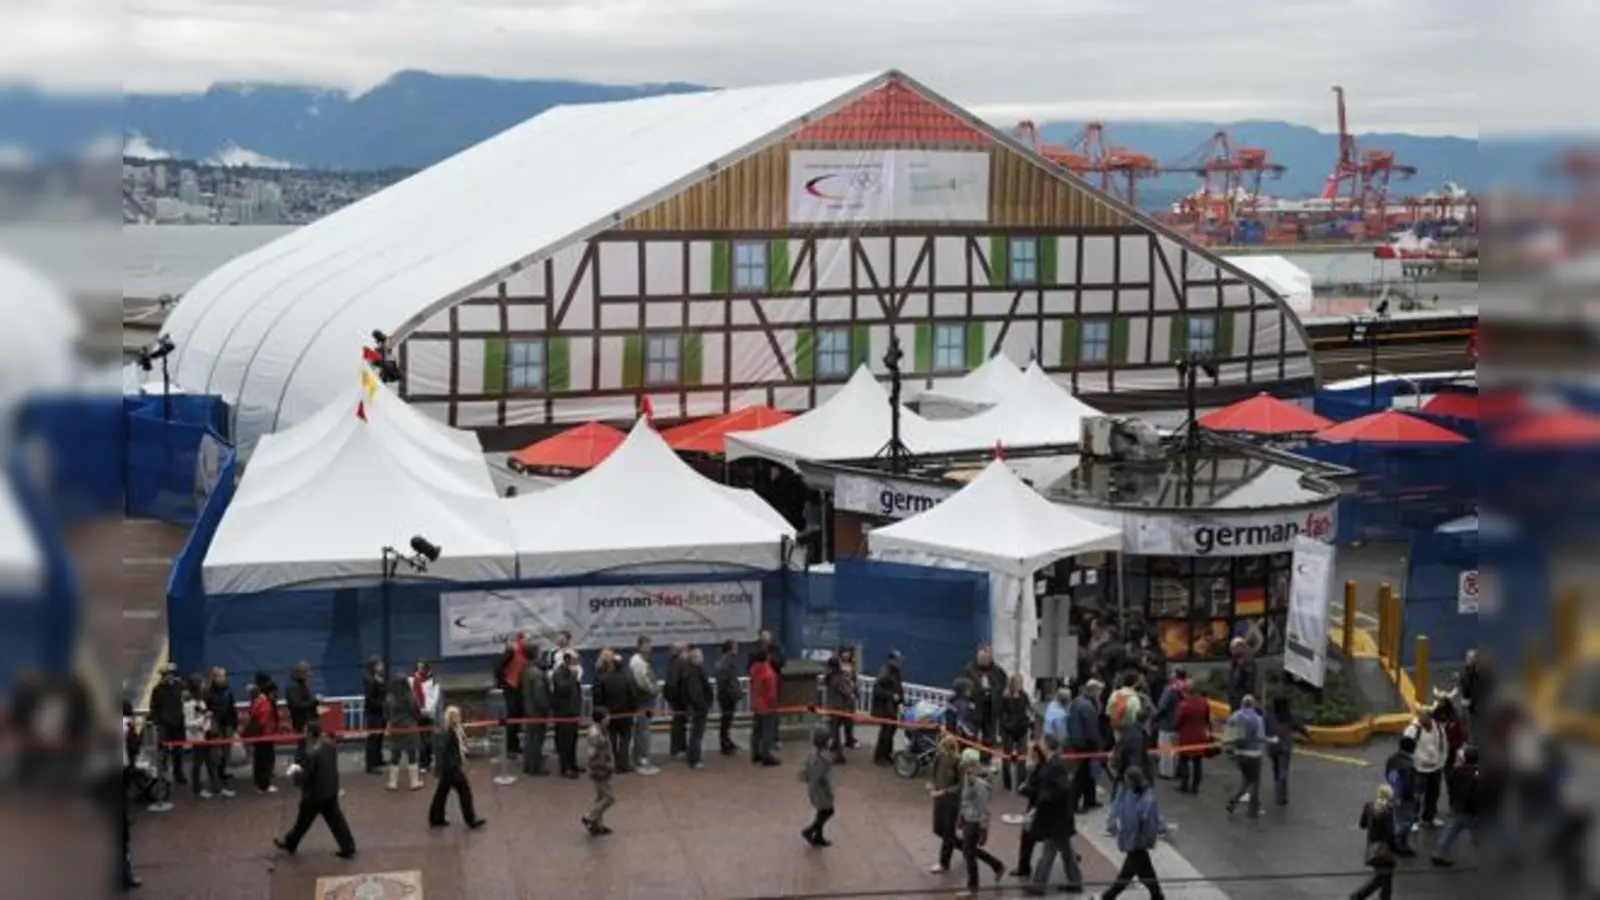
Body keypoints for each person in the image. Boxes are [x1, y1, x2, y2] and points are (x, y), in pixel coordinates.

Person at [274, 721, 356, 859]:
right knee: (336, 820)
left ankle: (290, 843)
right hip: (330, 789)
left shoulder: (310, 753)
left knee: (303, 821)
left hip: (314, 795)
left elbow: (306, 776)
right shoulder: (329, 747)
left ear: (309, 734)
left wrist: (294, 771)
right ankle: (348, 846)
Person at [1025, 734, 1084, 896]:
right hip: (1059, 817)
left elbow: (1060, 790)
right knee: (1065, 850)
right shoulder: (1050, 764)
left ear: (1047, 746)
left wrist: (1043, 800)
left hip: (1057, 817)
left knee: (1049, 850)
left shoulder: (1056, 766)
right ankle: (1075, 881)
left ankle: (1039, 884)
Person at [1100, 768, 1166, 900]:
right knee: (1145, 871)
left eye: (1127, 781)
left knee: (1125, 876)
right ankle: (1157, 895)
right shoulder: (1130, 792)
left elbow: (1150, 825)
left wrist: (1144, 841)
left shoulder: (1148, 801)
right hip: (1130, 840)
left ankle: (1108, 897)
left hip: (1137, 843)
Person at [956, 748, 1007, 895]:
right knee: (970, 850)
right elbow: (965, 800)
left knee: (969, 853)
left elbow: (983, 810)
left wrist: (984, 830)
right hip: (969, 819)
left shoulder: (979, 786)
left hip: (975, 822)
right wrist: (962, 816)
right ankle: (996, 865)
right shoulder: (969, 777)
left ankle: (973, 888)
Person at [428, 705, 486, 830]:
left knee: (441, 793)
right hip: (452, 768)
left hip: (448, 768)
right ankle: (471, 819)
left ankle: (436, 817)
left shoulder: (452, 730)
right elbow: (444, 751)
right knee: (464, 791)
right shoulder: (450, 732)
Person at [1431, 744, 1480, 866]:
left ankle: (1439, 853)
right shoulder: (1476, 775)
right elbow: (1475, 795)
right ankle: (1511, 853)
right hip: (1472, 811)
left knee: (1450, 831)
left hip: (1458, 808)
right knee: (1498, 829)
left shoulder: (1455, 772)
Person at [1403, 706, 1449, 827]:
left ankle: (1429, 818)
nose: (1425, 718)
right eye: (1422, 715)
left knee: (1433, 794)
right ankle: (1413, 820)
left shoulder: (1438, 727)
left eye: (1427, 715)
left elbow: (1444, 745)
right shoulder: (1412, 730)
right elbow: (1406, 749)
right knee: (1416, 796)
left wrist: (1442, 762)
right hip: (1419, 769)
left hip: (1436, 768)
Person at [1352, 784, 1399, 900]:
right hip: (1384, 849)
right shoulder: (1387, 812)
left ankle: (1382, 897)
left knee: (1384, 876)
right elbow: (1389, 834)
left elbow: (1362, 824)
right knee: (1383, 876)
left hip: (1372, 847)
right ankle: (1358, 895)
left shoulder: (1369, 806)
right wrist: (1395, 849)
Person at [594, 649, 636, 775]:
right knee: (625, 739)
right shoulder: (627, 679)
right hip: (626, 714)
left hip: (609, 715)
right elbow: (633, 696)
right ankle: (624, 763)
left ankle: (614, 763)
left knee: (611, 740)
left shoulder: (603, 679)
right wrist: (632, 710)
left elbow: (599, 698)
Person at [1223, 695, 1266, 819]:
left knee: (1246, 780)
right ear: (1253, 705)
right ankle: (1252, 809)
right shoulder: (1258, 719)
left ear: (1242, 704)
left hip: (1239, 754)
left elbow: (1227, 735)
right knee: (1254, 782)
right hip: (1254, 755)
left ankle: (1234, 801)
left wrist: (1230, 750)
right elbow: (1260, 738)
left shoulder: (1235, 717)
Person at [927, 733, 963, 874]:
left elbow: (960, 785)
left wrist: (945, 791)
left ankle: (944, 862)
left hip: (951, 802)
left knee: (948, 832)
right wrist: (932, 785)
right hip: (939, 799)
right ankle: (964, 846)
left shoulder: (957, 761)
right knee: (938, 829)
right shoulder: (940, 757)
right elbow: (935, 774)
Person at [1265, 694, 1310, 806]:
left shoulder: (1269, 717)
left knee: (1275, 767)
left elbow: (1263, 728)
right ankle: (1282, 794)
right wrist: (1307, 736)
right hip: (1285, 746)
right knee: (1283, 770)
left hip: (1272, 746)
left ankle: (1277, 786)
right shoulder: (1288, 716)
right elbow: (1299, 727)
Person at [963, 645, 1008, 756]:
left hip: (991, 709)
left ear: (990, 658)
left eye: (985, 658)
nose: (982, 660)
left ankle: (986, 760)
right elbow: (965, 686)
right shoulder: (969, 670)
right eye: (981, 657)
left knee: (989, 737)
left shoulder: (998, 672)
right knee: (971, 736)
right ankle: (971, 760)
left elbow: (1002, 687)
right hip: (975, 709)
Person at [146, 662, 185, 789]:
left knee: (178, 751)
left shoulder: (180, 687)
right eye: (167, 675)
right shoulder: (157, 690)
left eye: (171, 674)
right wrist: (157, 720)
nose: (169, 677)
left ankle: (178, 773)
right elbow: (154, 708)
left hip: (178, 723)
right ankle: (163, 774)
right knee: (163, 752)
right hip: (164, 725)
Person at [1066, 680, 1103, 812]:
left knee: (1087, 774)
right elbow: (1092, 728)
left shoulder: (1077, 702)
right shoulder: (1088, 707)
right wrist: (1098, 745)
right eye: (1099, 692)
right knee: (1083, 775)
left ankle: (1090, 799)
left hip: (1077, 741)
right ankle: (1075, 803)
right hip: (1085, 744)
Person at [627, 637, 662, 775]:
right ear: (639, 646)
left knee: (642, 730)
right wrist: (654, 689)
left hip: (646, 700)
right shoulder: (638, 662)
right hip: (643, 701)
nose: (649, 647)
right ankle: (642, 761)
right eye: (646, 644)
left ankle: (640, 759)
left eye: (650, 644)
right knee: (643, 731)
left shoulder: (644, 661)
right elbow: (643, 682)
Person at [384, 674, 424, 792]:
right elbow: (417, 712)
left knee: (395, 755)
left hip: (396, 729)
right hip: (410, 727)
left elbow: (386, 714)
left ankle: (392, 782)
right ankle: (414, 782)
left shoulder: (389, 699)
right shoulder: (411, 697)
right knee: (412, 755)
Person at [202, 667, 238, 795]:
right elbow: (204, 709)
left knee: (225, 755)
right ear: (214, 678)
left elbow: (232, 708)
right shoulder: (207, 693)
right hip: (215, 727)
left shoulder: (228, 691)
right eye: (220, 676)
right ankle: (215, 783)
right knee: (214, 756)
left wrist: (234, 725)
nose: (223, 678)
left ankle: (222, 777)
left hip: (227, 725)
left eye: (224, 676)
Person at [182, 677, 220, 798]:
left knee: (210, 762)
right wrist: (204, 719)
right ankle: (197, 789)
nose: (203, 689)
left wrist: (207, 725)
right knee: (197, 764)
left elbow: (205, 720)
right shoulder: (189, 706)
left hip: (206, 736)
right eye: (201, 686)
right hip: (197, 738)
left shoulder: (202, 703)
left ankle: (215, 787)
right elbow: (188, 724)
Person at [1383, 735, 1421, 856]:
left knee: (1399, 818)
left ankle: (1399, 842)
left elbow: (1388, 773)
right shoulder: (1407, 765)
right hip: (1405, 798)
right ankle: (1397, 843)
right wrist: (1412, 796)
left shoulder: (1393, 758)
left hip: (1395, 793)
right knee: (1406, 822)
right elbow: (1407, 784)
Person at [798, 728, 836, 847]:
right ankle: (810, 830)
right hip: (820, 789)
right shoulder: (822, 758)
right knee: (828, 811)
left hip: (816, 788)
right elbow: (818, 775)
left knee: (821, 811)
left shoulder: (815, 754)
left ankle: (818, 837)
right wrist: (827, 790)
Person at [582, 706, 617, 836]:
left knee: (600, 797)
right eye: (607, 716)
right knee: (609, 798)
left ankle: (597, 825)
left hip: (602, 767)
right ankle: (589, 816)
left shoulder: (601, 730)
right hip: (599, 769)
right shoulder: (595, 734)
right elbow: (591, 752)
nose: (609, 719)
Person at [494, 635, 529, 756]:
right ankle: (510, 747)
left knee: (518, 716)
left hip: (519, 688)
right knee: (512, 716)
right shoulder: (511, 652)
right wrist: (503, 683)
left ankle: (515, 744)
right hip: (510, 687)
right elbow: (498, 666)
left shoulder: (525, 654)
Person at [551, 650, 584, 778]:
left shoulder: (571, 673)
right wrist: (573, 677)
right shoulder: (560, 673)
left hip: (573, 711)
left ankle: (573, 763)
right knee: (565, 741)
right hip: (564, 713)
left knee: (573, 740)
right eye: (575, 660)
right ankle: (565, 767)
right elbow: (562, 688)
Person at [1174, 684, 1212, 795]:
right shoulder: (1204, 703)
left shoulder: (1183, 705)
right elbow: (1207, 719)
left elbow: (1178, 721)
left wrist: (1176, 728)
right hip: (1200, 735)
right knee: (1197, 762)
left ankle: (1184, 784)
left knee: (1184, 760)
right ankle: (1195, 786)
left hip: (1186, 735)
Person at [998, 673, 1033, 793]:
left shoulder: (1024, 696)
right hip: (1008, 731)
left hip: (1022, 729)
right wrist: (1006, 725)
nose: (1019, 685)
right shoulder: (1005, 697)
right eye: (1017, 682)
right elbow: (1001, 714)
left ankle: (1021, 783)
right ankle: (1007, 783)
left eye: (1020, 682)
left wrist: (1028, 721)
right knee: (1007, 756)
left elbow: (1028, 710)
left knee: (1022, 757)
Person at [870, 650, 905, 765]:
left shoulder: (896, 672)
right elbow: (877, 690)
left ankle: (887, 754)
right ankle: (880, 757)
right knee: (885, 732)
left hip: (892, 707)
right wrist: (891, 695)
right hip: (885, 708)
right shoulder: (885, 673)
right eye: (897, 660)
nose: (900, 662)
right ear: (892, 660)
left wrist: (901, 699)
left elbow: (898, 687)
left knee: (891, 731)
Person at [1152, 668, 1187, 781]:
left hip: (1167, 722)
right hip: (1180, 724)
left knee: (1165, 748)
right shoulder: (1186, 688)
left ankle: (1166, 772)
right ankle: (1177, 770)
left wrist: (1156, 717)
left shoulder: (1170, 689)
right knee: (1176, 749)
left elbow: (1162, 705)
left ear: (1175, 675)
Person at [244, 681, 279, 794]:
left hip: (260, 736)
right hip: (265, 735)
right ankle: (264, 785)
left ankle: (260, 784)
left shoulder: (257, 701)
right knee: (265, 760)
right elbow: (263, 720)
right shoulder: (265, 703)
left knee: (259, 760)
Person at [680, 647, 711, 769]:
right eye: (699, 656)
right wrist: (702, 704)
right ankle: (695, 758)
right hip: (698, 707)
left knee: (696, 732)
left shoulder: (694, 671)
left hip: (698, 706)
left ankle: (693, 755)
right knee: (696, 733)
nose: (702, 658)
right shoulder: (694, 672)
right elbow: (695, 691)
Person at [748, 648, 780, 766]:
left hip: (757, 704)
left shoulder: (753, 670)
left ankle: (755, 753)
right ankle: (766, 755)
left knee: (757, 731)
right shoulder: (769, 674)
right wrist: (774, 705)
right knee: (767, 731)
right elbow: (771, 693)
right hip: (767, 706)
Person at [519, 660, 551, 776]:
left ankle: (528, 765)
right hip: (537, 713)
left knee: (529, 739)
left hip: (529, 710)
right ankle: (535, 767)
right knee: (536, 740)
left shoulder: (526, 671)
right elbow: (540, 697)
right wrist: (547, 708)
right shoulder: (537, 675)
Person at [285, 661, 319, 766]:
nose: (308, 677)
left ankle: (304, 765)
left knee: (305, 744)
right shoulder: (294, 687)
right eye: (307, 674)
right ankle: (300, 766)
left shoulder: (299, 685)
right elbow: (297, 704)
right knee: (303, 745)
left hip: (306, 719)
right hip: (303, 720)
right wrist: (313, 702)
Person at [715, 640, 744, 756]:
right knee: (726, 719)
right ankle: (724, 743)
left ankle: (726, 741)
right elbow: (728, 680)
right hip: (727, 695)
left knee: (727, 719)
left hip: (726, 694)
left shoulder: (724, 662)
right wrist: (735, 692)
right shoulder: (726, 662)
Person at [823, 656, 853, 763]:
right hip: (839, 708)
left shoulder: (830, 677)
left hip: (832, 707)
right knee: (836, 733)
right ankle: (838, 755)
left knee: (834, 732)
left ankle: (836, 752)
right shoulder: (839, 678)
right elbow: (846, 692)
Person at [411, 662, 440, 772]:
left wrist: (429, 709)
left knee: (429, 738)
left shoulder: (432, 680)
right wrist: (420, 709)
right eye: (418, 667)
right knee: (421, 739)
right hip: (419, 713)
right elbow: (414, 696)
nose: (420, 670)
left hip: (429, 713)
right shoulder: (414, 680)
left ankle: (429, 759)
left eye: (422, 667)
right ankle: (423, 762)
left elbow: (434, 696)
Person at [361, 657, 386, 775]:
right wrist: (380, 704)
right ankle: (370, 765)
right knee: (373, 739)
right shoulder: (370, 680)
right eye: (380, 665)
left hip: (380, 712)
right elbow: (370, 698)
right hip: (373, 713)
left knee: (379, 738)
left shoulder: (378, 678)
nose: (382, 667)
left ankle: (378, 759)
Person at [664, 642, 689, 759]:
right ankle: (677, 748)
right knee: (678, 723)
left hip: (676, 697)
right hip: (679, 698)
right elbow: (679, 682)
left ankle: (682, 746)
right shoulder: (679, 664)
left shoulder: (672, 662)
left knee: (680, 723)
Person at [837, 646, 861, 749]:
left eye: (847, 653)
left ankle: (849, 738)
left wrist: (856, 691)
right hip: (842, 696)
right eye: (844, 653)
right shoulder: (838, 666)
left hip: (851, 695)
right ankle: (836, 740)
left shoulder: (852, 665)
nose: (846, 655)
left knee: (850, 720)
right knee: (839, 719)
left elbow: (855, 679)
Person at [1226, 638, 1257, 712]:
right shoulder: (1236, 659)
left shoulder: (1247, 660)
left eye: (1233, 648)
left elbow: (1247, 680)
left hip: (1241, 694)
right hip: (1236, 694)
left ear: (1240, 647)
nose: (1231, 651)